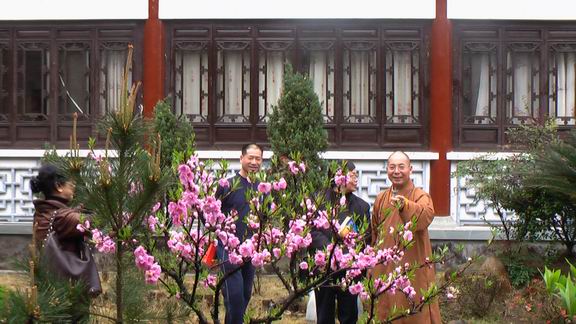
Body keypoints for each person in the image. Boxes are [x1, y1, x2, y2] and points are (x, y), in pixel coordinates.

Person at [370, 151, 441, 323]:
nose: (396, 171)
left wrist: (405, 206)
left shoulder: (421, 196)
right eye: (392, 167)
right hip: (386, 270)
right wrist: (371, 265)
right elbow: (375, 233)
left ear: (411, 169)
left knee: (414, 313)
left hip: (412, 270)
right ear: (386, 169)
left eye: (401, 167)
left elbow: (425, 217)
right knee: (386, 312)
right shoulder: (381, 198)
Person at [31, 164, 94, 321]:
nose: (74, 186)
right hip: (68, 291)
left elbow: (69, 218)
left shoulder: (43, 211)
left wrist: (78, 209)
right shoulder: (62, 218)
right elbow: (95, 223)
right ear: (58, 186)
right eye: (70, 183)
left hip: (51, 290)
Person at [311, 161, 371, 324]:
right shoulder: (317, 200)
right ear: (339, 177)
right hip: (323, 267)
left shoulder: (362, 206)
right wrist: (331, 249)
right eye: (353, 175)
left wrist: (347, 254)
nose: (356, 179)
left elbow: (366, 236)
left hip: (349, 269)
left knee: (349, 316)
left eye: (357, 175)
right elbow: (311, 232)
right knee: (324, 316)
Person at [216, 143, 264, 324]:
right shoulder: (227, 185)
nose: (254, 162)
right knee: (234, 296)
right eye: (250, 157)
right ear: (241, 158)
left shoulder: (262, 188)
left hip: (251, 250)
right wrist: (221, 236)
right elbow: (210, 214)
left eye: (257, 158)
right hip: (228, 249)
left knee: (244, 295)